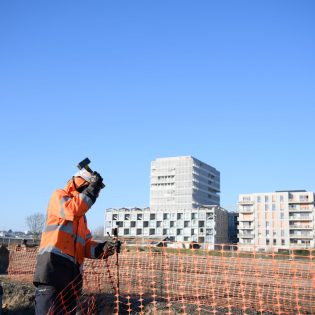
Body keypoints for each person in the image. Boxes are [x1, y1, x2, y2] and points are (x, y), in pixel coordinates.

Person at [33, 168, 120, 314]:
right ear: (81, 185)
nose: (88, 195)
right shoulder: (59, 196)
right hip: (52, 273)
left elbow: (86, 246)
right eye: (87, 189)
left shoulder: (82, 219)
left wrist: (105, 248)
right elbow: (72, 210)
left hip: (72, 280)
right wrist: (92, 190)